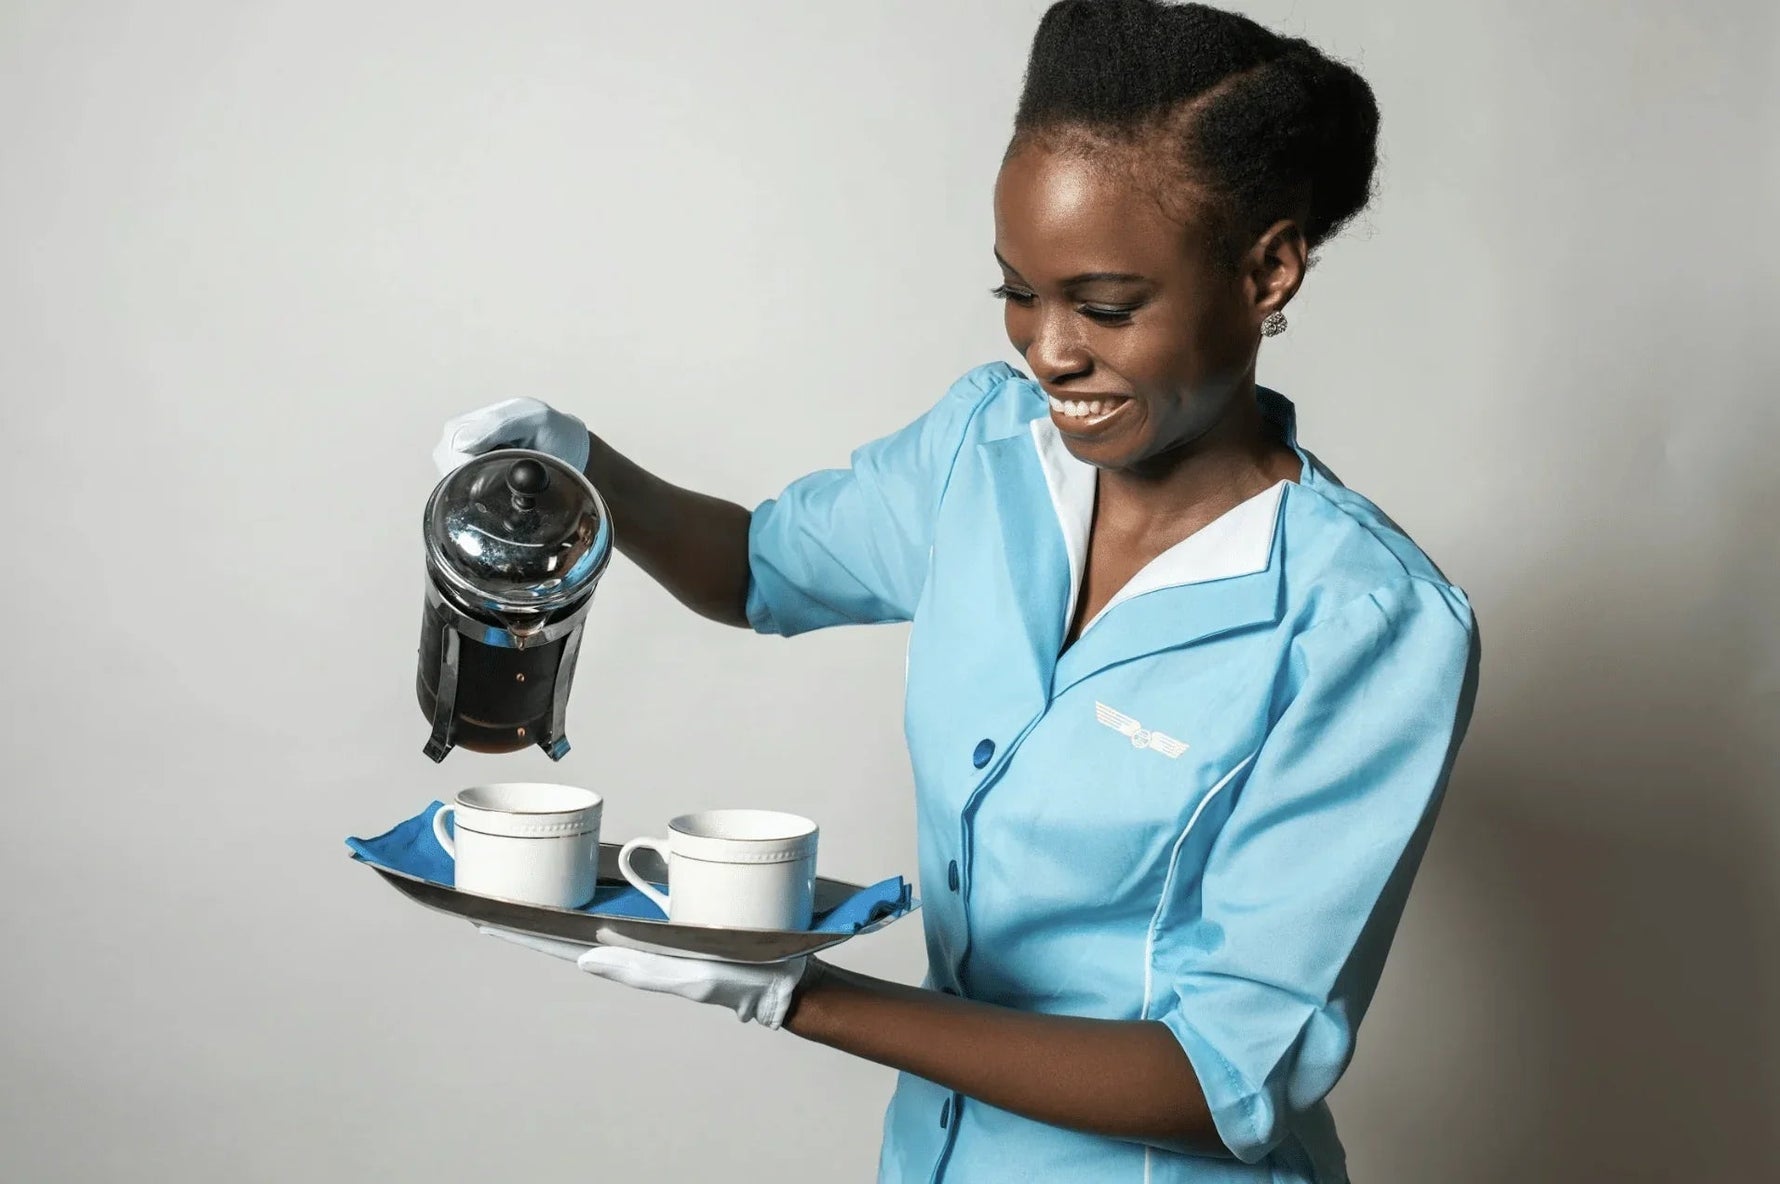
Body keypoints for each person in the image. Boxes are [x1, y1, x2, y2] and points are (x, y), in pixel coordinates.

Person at [431, 2, 1480, 1180]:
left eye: (1105, 304)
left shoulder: (1361, 622)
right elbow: (758, 566)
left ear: (1266, 269)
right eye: (1016, 292)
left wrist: (797, 992)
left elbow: (1223, 1076)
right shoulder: (985, 452)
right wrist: (580, 464)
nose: (1048, 349)